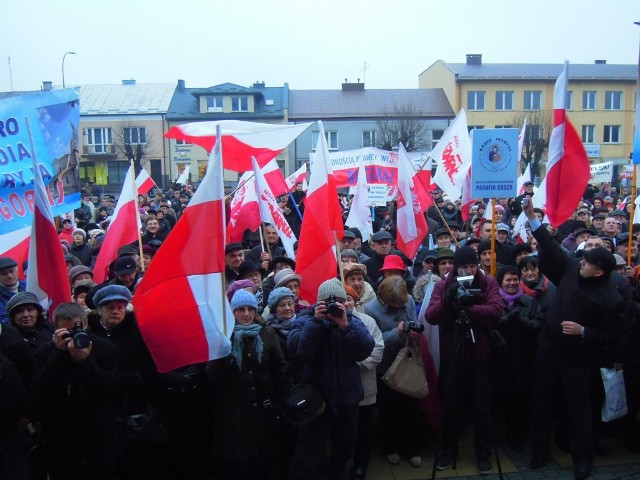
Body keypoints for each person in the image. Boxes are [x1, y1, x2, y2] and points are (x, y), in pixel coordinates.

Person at [522, 197, 633, 480]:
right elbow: (549, 245)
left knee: (578, 408)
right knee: (541, 402)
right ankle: (539, 452)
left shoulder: (612, 296)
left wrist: (584, 331)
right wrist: (532, 218)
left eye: (588, 261)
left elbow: (615, 335)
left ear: (599, 271)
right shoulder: (572, 268)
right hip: (548, 348)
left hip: (578, 358)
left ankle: (583, 459)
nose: (581, 260)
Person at [426, 246, 503, 476]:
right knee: (451, 407)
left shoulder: (488, 282)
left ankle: (484, 454)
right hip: (453, 355)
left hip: (480, 355)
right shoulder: (442, 285)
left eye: (472, 265)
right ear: (456, 268)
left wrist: (470, 309)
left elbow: (497, 309)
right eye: (463, 267)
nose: (468, 270)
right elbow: (431, 316)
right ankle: (448, 451)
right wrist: (448, 301)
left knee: (481, 408)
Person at [287, 279, 375, 480]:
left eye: (338, 302)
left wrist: (345, 326)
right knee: (306, 457)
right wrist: (316, 322)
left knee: (343, 454)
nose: (333, 306)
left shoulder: (352, 320)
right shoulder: (305, 319)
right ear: (318, 303)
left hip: (347, 400)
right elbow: (300, 352)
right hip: (316, 401)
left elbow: (365, 349)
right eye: (328, 302)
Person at [206, 290, 289, 480]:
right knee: (240, 466)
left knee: (264, 463)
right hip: (235, 414)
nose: (246, 314)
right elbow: (211, 375)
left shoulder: (266, 332)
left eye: (250, 309)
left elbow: (280, 367)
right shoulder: (223, 336)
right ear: (233, 312)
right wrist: (224, 353)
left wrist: (280, 398)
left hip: (263, 410)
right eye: (241, 310)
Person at [33, 302, 118, 479]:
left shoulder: (104, 348)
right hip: (60, 433)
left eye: (75, 329)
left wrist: (85, 361)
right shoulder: (46, 351)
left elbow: (107, 390)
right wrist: (58, 353)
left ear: (85, 323)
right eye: (66, 331)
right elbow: (41, 389)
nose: (72, 336)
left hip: (97, 431)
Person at [365, 276, 424, 468]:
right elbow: (373, 341)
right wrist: (395, 332)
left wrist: (414, 333)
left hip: (407, 363)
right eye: (394, 303)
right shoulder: (371, 310)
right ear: (383, 299)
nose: (399, 305)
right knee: (389, 411)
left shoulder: (408, 302)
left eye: (401, 302)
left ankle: (413, 447)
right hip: (386, 366)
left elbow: (414, 323)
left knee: (411, 408)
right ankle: (391, 447)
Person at [491, 266, 544, 449]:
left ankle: (517, 435)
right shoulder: (494, 301)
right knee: (499, 398)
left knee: (520, 399)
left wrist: (522, 322)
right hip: (499, 360)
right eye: (508, 280)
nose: (512, 283)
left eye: (515, 279)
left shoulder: (529, 302)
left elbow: (538, 324)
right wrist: (505, 321)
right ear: (501, 282)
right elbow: (489, 325)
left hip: (523, 358)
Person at [345, 285, 384, 480]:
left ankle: (361, 464)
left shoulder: (368, 322)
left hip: (364, 387)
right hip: (343, 390)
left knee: (364, 430)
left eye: (349, 299)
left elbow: (378, 349)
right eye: (342, 299)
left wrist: (357, 362)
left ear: (355, 301)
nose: (346, 303)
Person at [0, 257, 26, 325]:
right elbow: (4, 320)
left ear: (17, 271)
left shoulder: (29, 286)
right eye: (4, 273)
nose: (9, 275)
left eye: (11, 271)